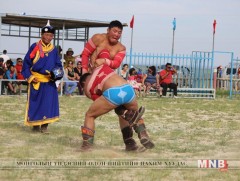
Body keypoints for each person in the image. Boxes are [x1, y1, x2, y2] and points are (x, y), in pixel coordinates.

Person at [79, 64, 154, 151]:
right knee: (133, 115)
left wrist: (122, 111)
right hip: (128, 89)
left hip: (113, 92)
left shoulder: (87, 85)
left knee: (89, 115)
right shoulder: (102, 66)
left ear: (83, 83)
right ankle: (137, 137)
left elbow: (106, 103)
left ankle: (86, 146)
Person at [22, 20, 63, 133]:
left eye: (50, 35)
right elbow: (26, 64)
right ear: (42, 35)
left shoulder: (54, 50)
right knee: (36, 104)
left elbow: (58, 66)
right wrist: (30, 77)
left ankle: (45, 126)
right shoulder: (34, 47)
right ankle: (35, 125)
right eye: (46, 34)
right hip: (36, 80)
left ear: (53, 36)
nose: (48, 37)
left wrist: (55, 75)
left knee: (48, 104)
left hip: (49, 81)